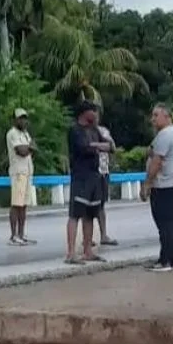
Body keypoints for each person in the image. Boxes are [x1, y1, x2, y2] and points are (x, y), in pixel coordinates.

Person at [140, 103, 173, 272]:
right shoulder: (171, 133)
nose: (152, 119)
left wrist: (147, 184)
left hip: (165, 185)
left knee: (165, 224)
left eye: (156, 115)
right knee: (171, 224)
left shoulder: (165, 134)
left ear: (167, 117)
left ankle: (165, 260)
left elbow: (156, 161)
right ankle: (172, 259)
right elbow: (151, 151)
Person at [65, 101, 111, 265]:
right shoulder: (75, 130)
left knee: (90, 214)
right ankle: (71, 253)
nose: (96, 115)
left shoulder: (94, 130)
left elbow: (109, 146)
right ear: (85, 113)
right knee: (75, 214)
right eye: (94, 111)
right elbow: (84, 148)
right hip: (80, 176)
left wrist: (96, 145)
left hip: (94, 175)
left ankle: (88, 251)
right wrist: (98, 146)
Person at [6, 108, 37, 246]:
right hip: (18, 172)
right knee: (16, 204)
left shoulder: (25, 134)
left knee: (24, 205)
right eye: (21, 118)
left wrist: (29, 148)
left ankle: (21, 234)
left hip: (27, 171)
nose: (24, 121)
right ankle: (13, 236)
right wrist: (30, 148)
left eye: (25, 118)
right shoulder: (12, 134)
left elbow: (32, 148)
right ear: (15, 120)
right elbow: (21, 151)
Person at [95, 122, 118, 246]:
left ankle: (103, 235)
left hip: (104, 171)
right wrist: (102, 145)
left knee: (101, 204)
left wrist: (104, 141)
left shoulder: (103, 130)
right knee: (88, 205)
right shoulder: (85, 131)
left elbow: (112, 148)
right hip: (91, 172)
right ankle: (87, 238)